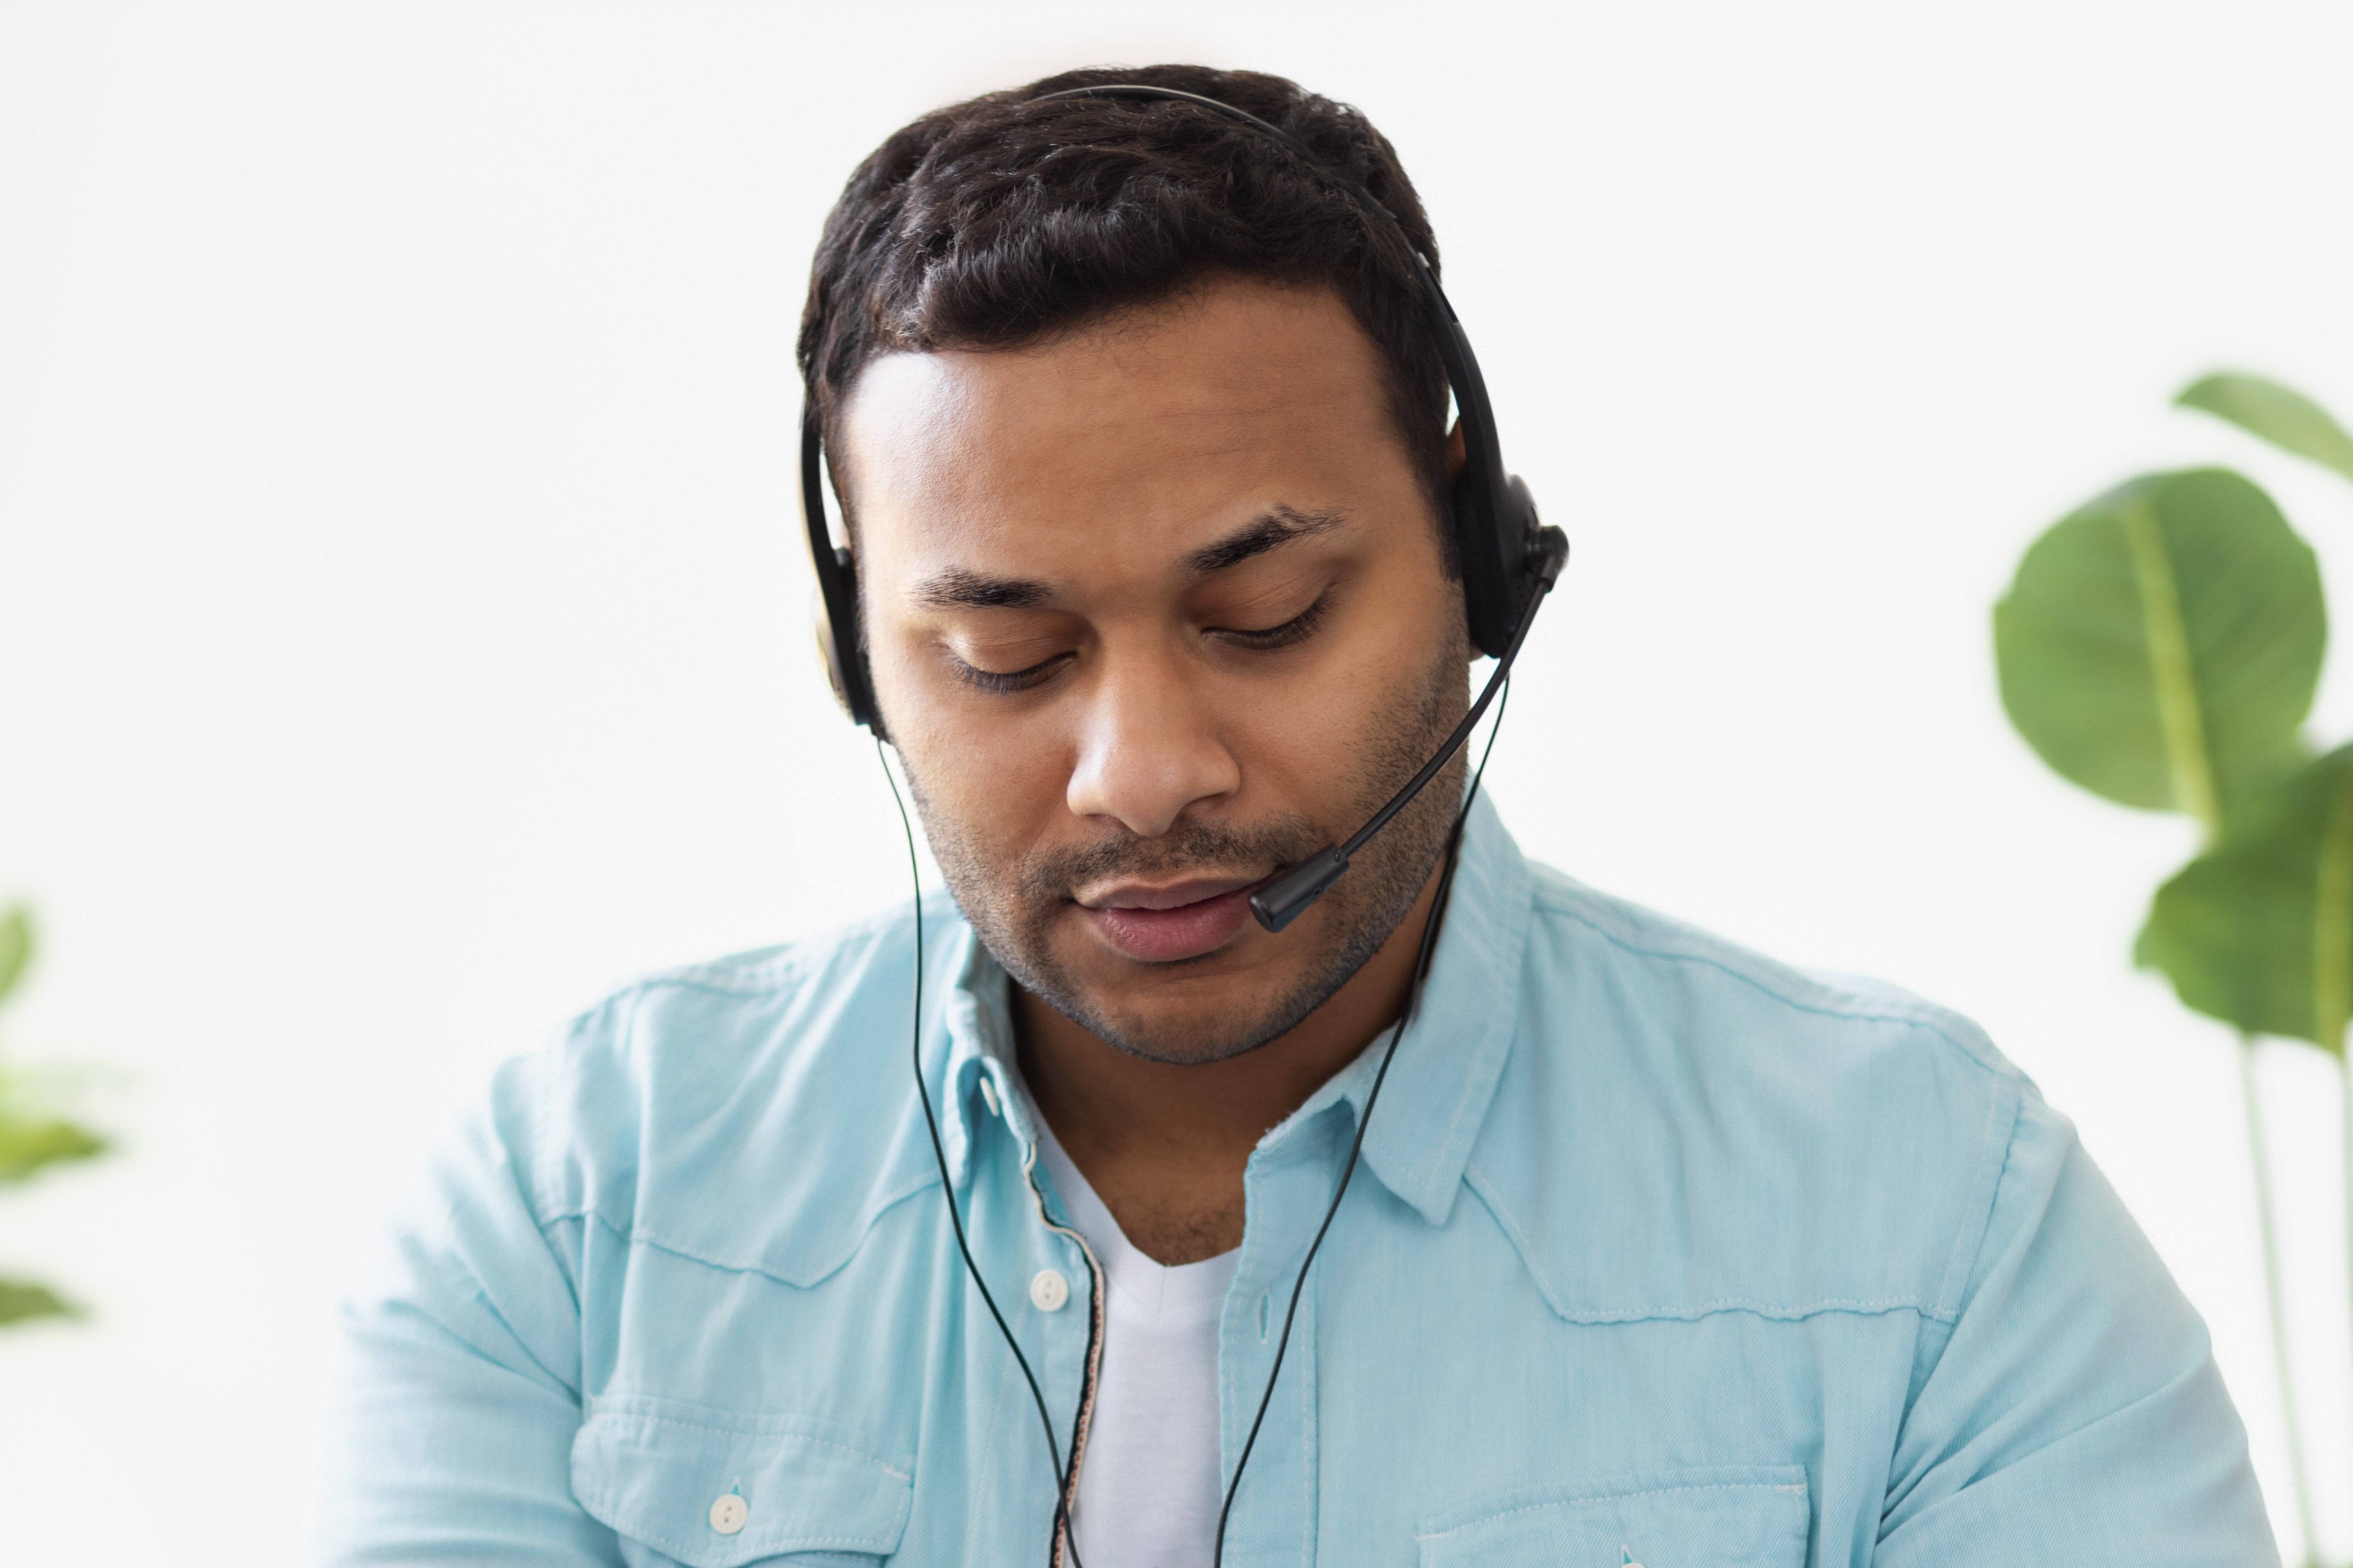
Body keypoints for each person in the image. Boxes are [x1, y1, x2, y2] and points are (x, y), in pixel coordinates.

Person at [305, 64, 2278, 1568]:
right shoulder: (578, 1217)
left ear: (1477, 564)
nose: (1142, 771)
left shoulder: (1925, 1217)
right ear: (858, 659)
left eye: (1263, 616)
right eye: (1005, 656)